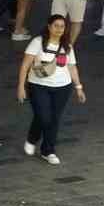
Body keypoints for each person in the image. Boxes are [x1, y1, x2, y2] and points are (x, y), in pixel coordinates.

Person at [17, 16, 85, 167]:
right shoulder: (37, 42)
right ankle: (32, 138)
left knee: (54, 119)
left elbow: (72, 67)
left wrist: (78, 87)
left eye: (62, 26)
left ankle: (48, 150)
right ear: (49, 26)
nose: (59, 29)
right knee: (43, 116)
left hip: (63, 87)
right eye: (56, 26)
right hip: (38, 85)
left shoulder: (67, 46)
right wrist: (21, 86)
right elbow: (25, 65)